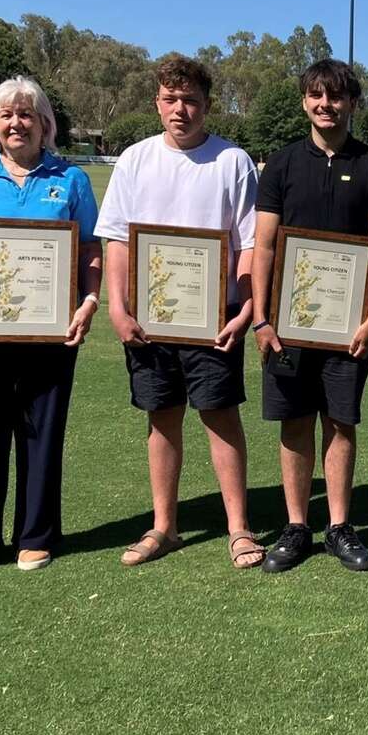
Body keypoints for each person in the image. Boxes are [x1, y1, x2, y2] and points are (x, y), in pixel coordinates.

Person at [95, 54, 263, 569]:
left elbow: (249, 244)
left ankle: (239, 528)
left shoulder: (233, 161)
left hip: (214, 321)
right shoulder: (134, 159)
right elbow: (118, 241)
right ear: (157, 103)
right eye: (171, 99)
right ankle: (164, 526)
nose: (180, 109)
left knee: (220, 417)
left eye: (190, 100)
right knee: (161, 420)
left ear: (207, 105)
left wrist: (247, 305)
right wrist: (117, 309)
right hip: (149, 323)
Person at [0, 76, 102, 574]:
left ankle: (37, 535)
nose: (16, 123)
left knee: (42, 434)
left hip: (52, 332)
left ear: (44, 123)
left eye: (26, 114)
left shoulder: (71, 179)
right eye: (7, 114)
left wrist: (88, 301)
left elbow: (90, 250)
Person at [250, 59, 368, 574]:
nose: (325, 105)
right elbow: (265, 246)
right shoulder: (282, 165)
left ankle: (338, 525)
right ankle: (296, 526)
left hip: (348, 326)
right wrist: (262, 319)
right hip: (287, 325)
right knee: (294, 421)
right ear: (304, 102)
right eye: (316, 95)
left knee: (340, 421)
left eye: (335, 97)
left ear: (352, 103)